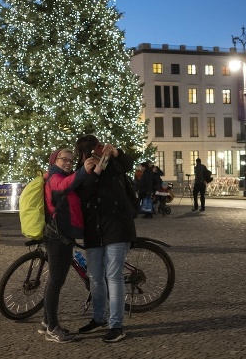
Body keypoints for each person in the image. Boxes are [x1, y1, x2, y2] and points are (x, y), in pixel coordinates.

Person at [76, 135, 137, 343]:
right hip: (93, 230)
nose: (95, 153)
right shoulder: (82, 171)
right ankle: (98, 318)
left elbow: (128, 164)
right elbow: (82, 195)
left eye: (97, 148)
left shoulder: (113, 165)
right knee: (94, 277)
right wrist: (92, 172)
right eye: (89, 151)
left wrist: (116, 153)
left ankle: (116, 325)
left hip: (116, 226)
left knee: (113, 276)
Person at [42, 148, 93, 344]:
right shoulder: (55, 176)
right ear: (55, 160)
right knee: (56, 282)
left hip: (62, 236)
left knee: (55, 281)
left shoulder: (64, 175)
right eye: (65, 159)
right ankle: (53, 328)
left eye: (71, 161)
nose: (69, 163)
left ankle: (46, 321)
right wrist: (82, 171)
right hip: (57, 238)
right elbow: (61, 187)